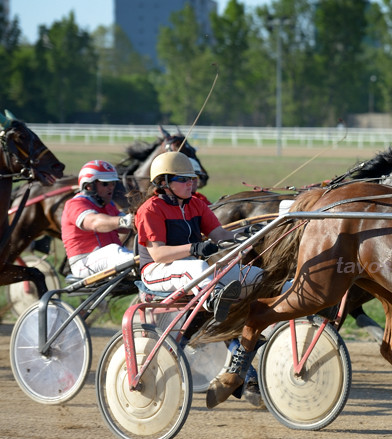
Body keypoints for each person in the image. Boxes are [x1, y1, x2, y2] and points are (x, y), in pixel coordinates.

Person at [134, 151, 262, 408]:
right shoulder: (150, 209)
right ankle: (218, 309)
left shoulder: (196, 204)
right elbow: (158, 254)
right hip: (157, 272)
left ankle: (247, 314)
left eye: (192, 179)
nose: (191, 184)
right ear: (164, 182)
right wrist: (194, 248)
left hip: (193, 271)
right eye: (183, 179)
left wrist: (245, 236)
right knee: (197, 267)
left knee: (255, 276)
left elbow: (220, 235)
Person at [61, 160, 135, 278]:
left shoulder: (108, 205)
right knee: (115, 251)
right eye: (105, 184)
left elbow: (125, 228)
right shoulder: (75, 204)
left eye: (113, 184)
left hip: (108, 259)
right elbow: (94, 222)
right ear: (89, 186)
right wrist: (125, 220)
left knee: (143, 255)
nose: (111, 188)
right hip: (84, 263)